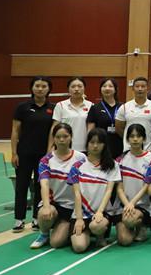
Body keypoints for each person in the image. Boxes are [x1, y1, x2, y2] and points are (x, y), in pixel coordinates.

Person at [30, 123, 88, 249]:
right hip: (55, 204)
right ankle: (44, 234)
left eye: (65, 136)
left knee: (56, 243)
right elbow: (44, 185)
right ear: (54, 139)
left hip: (73, 207)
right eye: (58, 137)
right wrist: (46, 206)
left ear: (71, 137)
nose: (62, 140)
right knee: (43, 213)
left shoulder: (81, 158)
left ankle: (65, 228)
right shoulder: (46, 160)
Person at [11, 76, 55, 232]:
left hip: (43, 156)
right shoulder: (22, 107)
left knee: (40, 186)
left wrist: (49, 153)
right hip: (24, 153)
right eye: (37, 86)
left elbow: (53, 132)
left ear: (49, 89)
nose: (40, 89)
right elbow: (15, 131)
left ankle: (37, 218)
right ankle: (19, 219)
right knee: (21, 186)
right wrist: (14, 153)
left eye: (44, 86)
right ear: (32, 88)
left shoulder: (53, 108)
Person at [68, 128, 121, 253]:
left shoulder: (112, 165)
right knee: (79, 247)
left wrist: (100, 212)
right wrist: (79, 218)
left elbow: (109, 191)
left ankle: (99, 235)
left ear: (105, 144)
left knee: (97, 226)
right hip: (81, 213)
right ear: (87, 144)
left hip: (100, 214)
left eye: (99, 142)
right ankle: (86, 232)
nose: (95, 146)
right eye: (92, 142)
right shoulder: (77, 166)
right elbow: (77, 194)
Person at [114, 124, 151, 246]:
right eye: (132, 136)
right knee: (124, 240)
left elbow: (147, 186)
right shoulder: (120, 160)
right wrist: (127, 204)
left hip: (142, 205)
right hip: (123, 205)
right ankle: (129, 227)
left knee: (129, 220)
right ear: (127, 139)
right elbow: (119, 187)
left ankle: (142, 225)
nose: (135, 139)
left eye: (138, 136)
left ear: (144, 138)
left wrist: (132, 203)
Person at [115, 76, 151, 154]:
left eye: (143, 86)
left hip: (150, 150)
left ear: (147, 88)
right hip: (129, 150)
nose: (140, 89)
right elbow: (119, 128)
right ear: (133, 88)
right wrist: (131, 138)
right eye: (137, 86)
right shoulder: (124, 107)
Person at [51, 76, 93, 152]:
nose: (76, 89)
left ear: (84, 88)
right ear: (68, 89)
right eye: (73, 86)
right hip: (64, 148)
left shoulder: (91, 105)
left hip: (85, 148)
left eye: (79, 86)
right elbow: (54, 128)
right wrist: (51, 146)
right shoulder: (60, 105)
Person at [86, 78, 123, 158]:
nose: (107, 88)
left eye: (110, 86)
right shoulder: (95, 108)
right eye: (104, 86)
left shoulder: (123, 107)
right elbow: (90, 131)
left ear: (115, 89)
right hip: (101, 146)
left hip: (120, 145)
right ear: (100, 89)